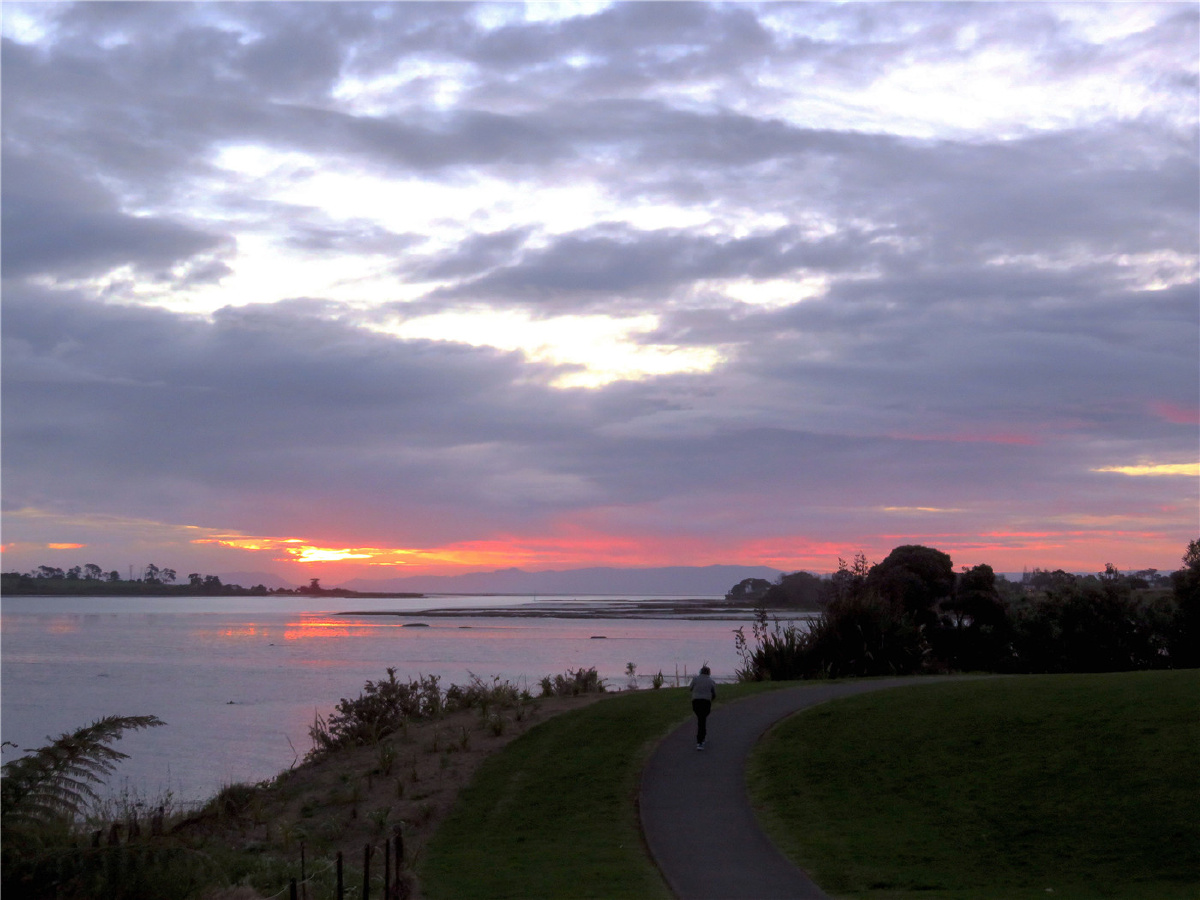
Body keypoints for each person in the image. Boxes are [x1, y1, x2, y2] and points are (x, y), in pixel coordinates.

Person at [689, 665, 717, 750]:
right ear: (709, 672)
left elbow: (690, 688)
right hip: (706, 702)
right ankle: (700, 741)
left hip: (696, 702)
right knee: (702, 720)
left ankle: (701, 738)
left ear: (700, 671)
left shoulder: (695, 679)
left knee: (701, 720)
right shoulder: (711, 681)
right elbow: (714, 693)